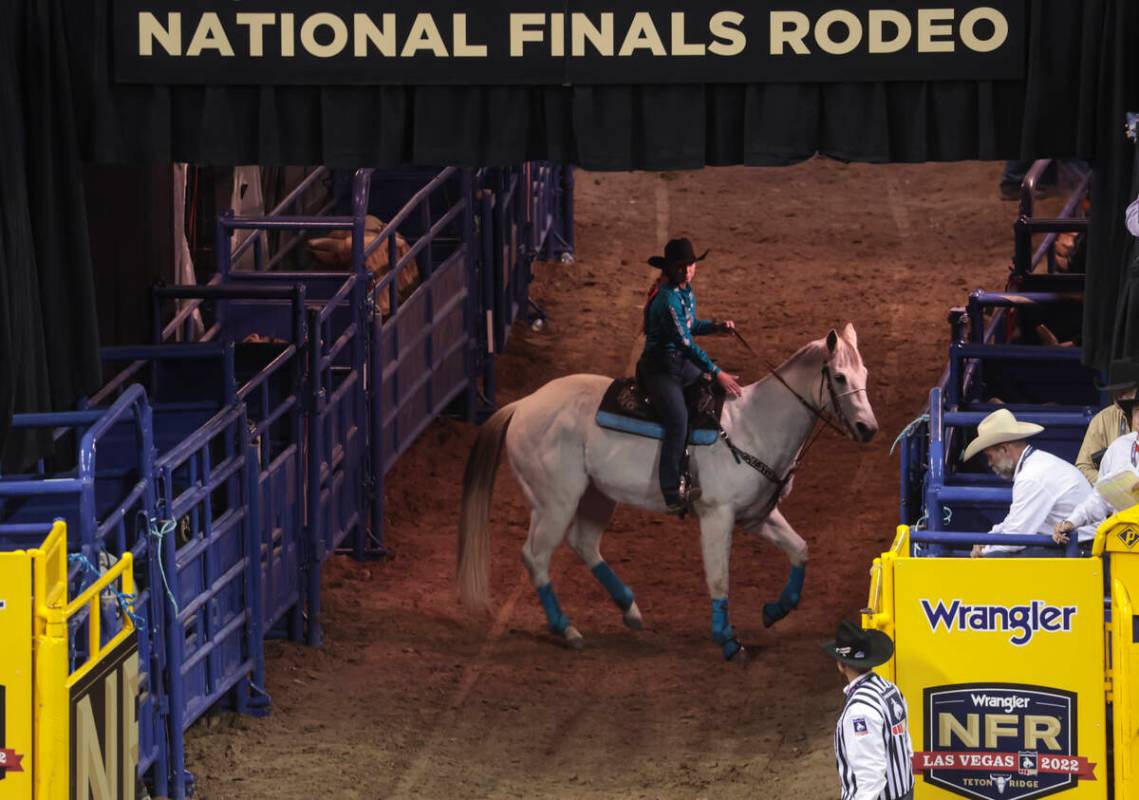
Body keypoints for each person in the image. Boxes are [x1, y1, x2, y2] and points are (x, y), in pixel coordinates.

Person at [637, 237, 742, 515]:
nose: (687, 270)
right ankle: (671, 491)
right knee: (678, 419)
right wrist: (716, 372)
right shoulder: (667, 300)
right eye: (681, 266)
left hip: (678, 364)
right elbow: (684, 342)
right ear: (670, 268)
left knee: (707, 394)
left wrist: (716, 327)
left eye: (690, 265)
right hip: (660, 369)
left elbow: (691, 325)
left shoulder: (684, 291)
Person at [961, 409, 1094, 557]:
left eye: (990, 456)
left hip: (1080, 549)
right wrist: (987, 540)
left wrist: (984, 552)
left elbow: (1016, 537)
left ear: (1004, 449)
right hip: (1075, 544)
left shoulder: (1031, 475)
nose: (989, 463)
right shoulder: (1036, 466)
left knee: (995, 558)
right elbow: (1014, 523)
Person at [823, 620, 914, 800]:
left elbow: (870, 775)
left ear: (841, 664)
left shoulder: (860, 710)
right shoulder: (890, 689)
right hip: (904, 790)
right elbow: (906, 744)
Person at [1055, 396, 1139, 544]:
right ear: (1132, 417)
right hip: (1123, 541)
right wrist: (1071, 521)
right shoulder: (1119, 447)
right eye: (1138, 411)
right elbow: (1100, 497)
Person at [1076, 358, 1138, 484]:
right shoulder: (1102, 419)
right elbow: (1083, 467)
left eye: (1124, 392)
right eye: (1114, 393)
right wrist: (1112, 486)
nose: (1118, 398)